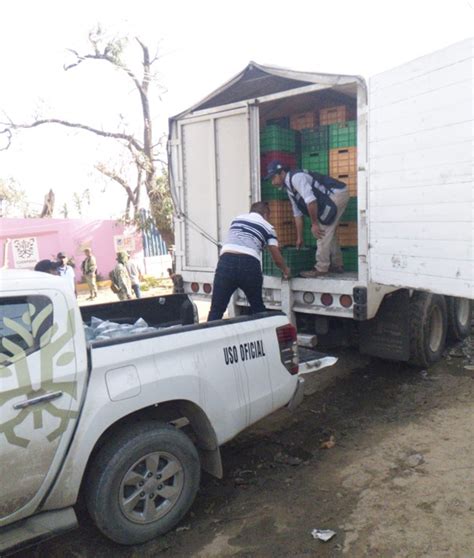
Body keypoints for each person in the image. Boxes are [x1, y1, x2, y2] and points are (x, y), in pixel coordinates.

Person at [207, 201, 290, 321]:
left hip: (225, 262)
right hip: (249, 265)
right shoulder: (268, 227)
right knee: (258, 308)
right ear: (266, 214)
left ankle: (210, 337)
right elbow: (277, 258)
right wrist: (286, 270)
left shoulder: (237, 219)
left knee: (216, 309)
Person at [265, 160, 349, 278]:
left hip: (336, 194)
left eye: (273, 177)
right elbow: (297, 214)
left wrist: (314, 224)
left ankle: (321, 267)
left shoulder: (296, 178)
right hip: (333, 195)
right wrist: (299, 238)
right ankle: (337, 264)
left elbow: (311, 201)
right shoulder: (289, 188)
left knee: (321, 231)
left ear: (282, 173)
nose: (272, 182)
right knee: (329, 230)